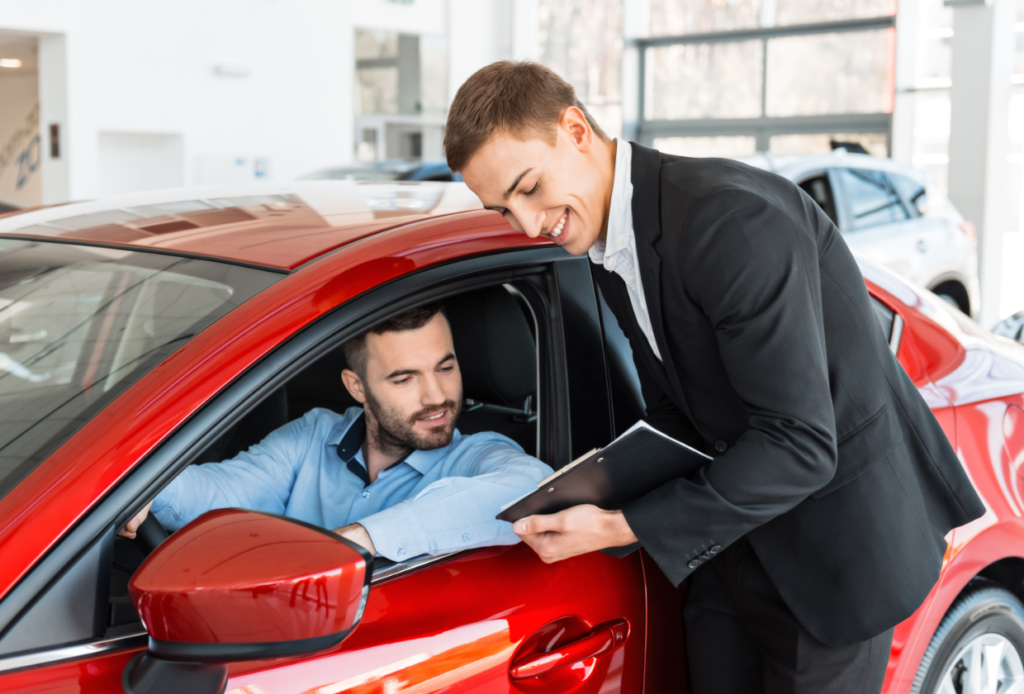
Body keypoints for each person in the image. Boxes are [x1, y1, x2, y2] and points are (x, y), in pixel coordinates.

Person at [443, 61, 985, 694]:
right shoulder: (605, 236)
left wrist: (621, 527)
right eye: (504, 209)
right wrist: (597, 483)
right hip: (730, 550)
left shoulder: (727, 221)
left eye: (529, 187)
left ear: (576, 129)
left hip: (830, 560)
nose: (530, 224)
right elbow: (687, 410)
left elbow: (801, 444)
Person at [119, 303, 552, 562]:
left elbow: (530, 486)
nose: (437, 396)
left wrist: (359, 540)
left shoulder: (476, 458)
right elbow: (219, 490)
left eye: (445, 367)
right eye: (405, 380)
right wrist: (146, 489)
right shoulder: (312, 437)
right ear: (356, 386)